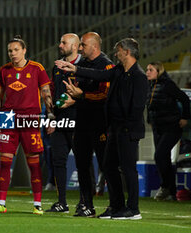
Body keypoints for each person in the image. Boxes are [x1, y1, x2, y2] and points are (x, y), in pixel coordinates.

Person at [56, 38, 148, 220]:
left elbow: (137, 107)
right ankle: (117, 206)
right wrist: (75, 69)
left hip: (127, 130)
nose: (116, 54)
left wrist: (125, 127)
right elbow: (99, 75)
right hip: (114, 128)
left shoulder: (139, 76)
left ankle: (133, 209)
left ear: (127, 52)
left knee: (128, 169)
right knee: (109, 166)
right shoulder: (120, 71)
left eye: (119, 51)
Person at [0, 35, 53, 215]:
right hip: (7, 117)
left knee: (33, 163)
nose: (13, 53)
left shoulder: (37, 68)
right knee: (4, 160)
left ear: (24, 50)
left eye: (16, 50)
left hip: (30, 116)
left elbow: (46, 93)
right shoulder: (4, 70)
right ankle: (1, 203)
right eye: (10, 50)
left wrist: (51, 115)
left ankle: (37, 204)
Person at [65, 32, 114, 217]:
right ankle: (86, 204)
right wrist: (72, 97)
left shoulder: (106, 65)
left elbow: (104, 95)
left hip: (100, 123)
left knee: (105, 164)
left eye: (83, 45)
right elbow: (78, 91)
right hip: (82, 121)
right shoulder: (82, 65)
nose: (79, 48)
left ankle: (114, 204)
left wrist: (81, 96)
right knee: (82, 164)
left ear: (94, 46)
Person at [45, 33, 81, 213]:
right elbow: (52, 90)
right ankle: (62, 203)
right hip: (60, 120)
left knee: (83, 161)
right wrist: (51, 116)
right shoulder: (57, 67)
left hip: (79, 119)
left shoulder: (84, 66)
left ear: (75, 46)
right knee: (58, 160)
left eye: (63, 42)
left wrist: (75, 101)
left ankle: (85, 202)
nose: (60, 45)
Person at [146, 61, 190, 201]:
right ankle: (171, 192)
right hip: (158, 127)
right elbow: (150, 106)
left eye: (150, 70)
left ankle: (165, 187)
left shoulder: (168, 85)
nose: (147, 72)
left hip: (171, 127)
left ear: (158, 72)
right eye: (147, 69)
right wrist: (150, 121)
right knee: (162, 158)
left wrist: (185, 117)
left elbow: (184, 98)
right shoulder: (150, 85)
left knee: (159, 155)